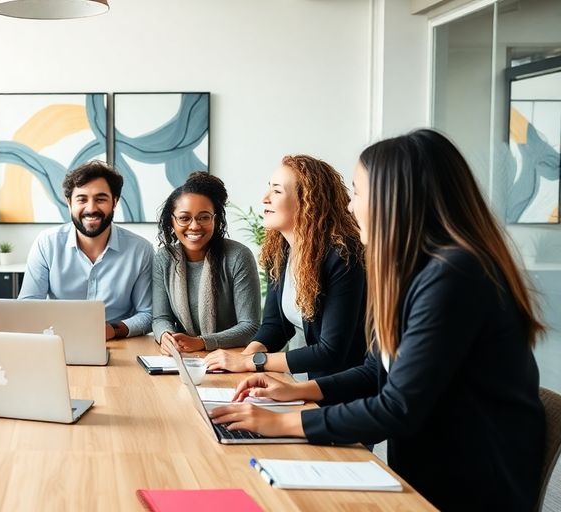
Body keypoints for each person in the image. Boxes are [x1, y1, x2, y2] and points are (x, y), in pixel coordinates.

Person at [210, 129, 545, 511]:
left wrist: (281, 423)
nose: (350, 208)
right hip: (425, 470)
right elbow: (375, 371)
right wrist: (294, 392)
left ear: (397, 199)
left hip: (468, 486)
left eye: (358, 193)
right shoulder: (416, 272)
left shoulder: (455, 275)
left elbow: (397, 406)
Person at [204, 155, 366, 379]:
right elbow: (275, 326)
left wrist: (251, 362)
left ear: (307, 201)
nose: (264, 198)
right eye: (268, 188)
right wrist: (244, 358)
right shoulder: (281, 251)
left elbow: (332, 352)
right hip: (297, 384)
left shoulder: (343, 256)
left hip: (339, 393)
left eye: (277, 191)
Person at [18, 160, 153, 340]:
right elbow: (27, 306)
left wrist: (113, 330)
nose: (91, 208)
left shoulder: (141, 250)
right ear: (69, 203)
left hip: (118, 343)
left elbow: (148, 314)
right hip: (58, 341)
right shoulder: (46, 244)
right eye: (82, 199)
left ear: (115, 201)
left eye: (100, 199)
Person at [153, 172, 261, 353]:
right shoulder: (164, 258)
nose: (194, 226)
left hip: (232, 358)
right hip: (183, 357)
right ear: (172, 221)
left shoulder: (238, 256)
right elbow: (160, 318)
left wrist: (202, 342)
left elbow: (250, 327)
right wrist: (166, 335)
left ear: (215, 219)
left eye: (204, 217)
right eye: (184, 218)